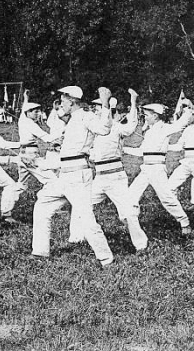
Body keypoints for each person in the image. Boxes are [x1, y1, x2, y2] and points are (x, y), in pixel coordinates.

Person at [31, 86, 115, 267]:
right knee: (42, 205)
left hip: (77, 176)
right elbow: (66, 154)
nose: (61, 105)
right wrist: (41, 162)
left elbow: (104, 129)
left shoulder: (86, 116)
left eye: (63, 101)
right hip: (65, 175)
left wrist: (106, 103)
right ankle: (40, 252)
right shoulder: (72, 121)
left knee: (86, 218)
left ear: (72, 101)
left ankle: (106, 258)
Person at [87, 88, 148, 253]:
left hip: (115, 177)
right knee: (83, 206)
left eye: (98, 107)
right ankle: (77, 237)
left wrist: (133, 102)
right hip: (99, 177)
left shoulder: (116, 127)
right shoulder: (93, 128)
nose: (94, 110)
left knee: (127, 213)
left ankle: (141, 244)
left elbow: (132, 125)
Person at [125, 101, 193, 235]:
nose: (145, 118)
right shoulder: (149, 132)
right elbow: (141, 152)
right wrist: (123, 149)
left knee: (167, 198)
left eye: (147, 115)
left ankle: (184, 222)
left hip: (157, 169)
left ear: (156, 116)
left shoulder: (164, 128)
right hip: (146, 169)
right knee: (131, 195)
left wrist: (188, 111)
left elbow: (180, 125)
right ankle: (132, 222)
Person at [16, 90, 60, 190]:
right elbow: (46, 138)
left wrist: (25, 98)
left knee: (21, 185)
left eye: (39, 111)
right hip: (30, 157)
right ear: (28, 112)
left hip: (23, 155)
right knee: (52, 179)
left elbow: (24, 110)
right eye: (36, 112)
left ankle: (7, 203)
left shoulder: (23, 120)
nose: (38, 114)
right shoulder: (30, 124)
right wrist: (62, 134)